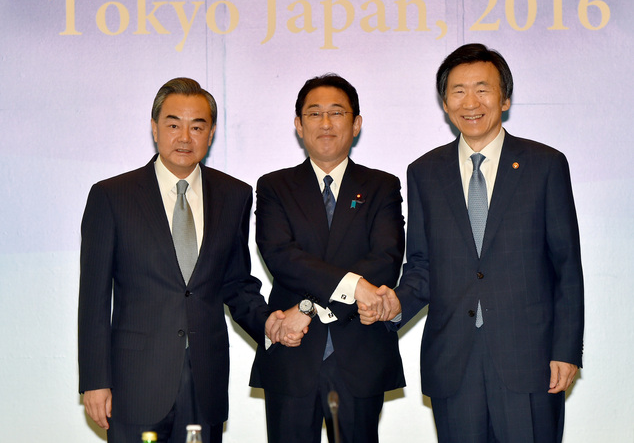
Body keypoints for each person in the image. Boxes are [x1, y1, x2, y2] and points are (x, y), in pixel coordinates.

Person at [360, 43, 584, 442]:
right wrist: (395, 303)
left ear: (505, 98)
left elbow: (566, 266)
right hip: (454, 362)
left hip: (529, 361)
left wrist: (566, 350)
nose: (471, 102)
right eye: (458, 91)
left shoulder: (545, 165)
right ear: (445, 104)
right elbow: (423, 265)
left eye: (483, 88)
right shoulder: (425, 172)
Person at [78, 77, 294, 443]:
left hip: (204, 381)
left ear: (210, 134)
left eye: (197, 127)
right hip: (135, 383)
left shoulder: (234, 195)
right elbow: (94, 299)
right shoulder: (111, 196)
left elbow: (236, 283)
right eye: (173, 124)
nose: (184, 137)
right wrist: (95, 382)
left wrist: (270, 322)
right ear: (154, 128)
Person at [249, 74, 406, 443]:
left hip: (358, 352)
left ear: (356, 123)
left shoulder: (382, 186)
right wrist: (352, 285)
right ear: (298, 124)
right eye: (314, 113)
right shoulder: (274, 186)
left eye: (336, 112)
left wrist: (307, 307)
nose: (325, 123)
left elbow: (385, 258)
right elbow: (280, 254)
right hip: (292, 354)